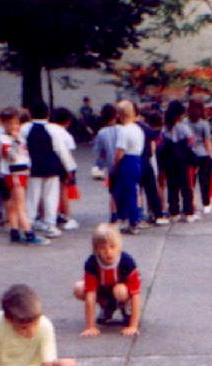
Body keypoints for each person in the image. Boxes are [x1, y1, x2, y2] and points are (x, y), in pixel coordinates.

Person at [73, 223, 142, 337]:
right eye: (103, 248)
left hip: (123, 292)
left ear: (119, 246)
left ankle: (126, 309)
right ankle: (107, 307)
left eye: (112, 246)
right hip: (103, 291)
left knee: (120, 290)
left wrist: (133, 326)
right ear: (96, 249)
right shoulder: (92, 262)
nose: (108, 252)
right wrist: (90, 326)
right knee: (79, 288)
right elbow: (90, 294)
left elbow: (135, 294)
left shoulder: (126, 261)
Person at [0, 107, 49, 246]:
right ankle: (28, 233)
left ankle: (14, 232)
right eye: (10, 123)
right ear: (4, 124)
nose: (14, 126)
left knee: (14, 205)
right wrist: (15, 141)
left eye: (16, 123)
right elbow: (10, 156)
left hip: (21, 172)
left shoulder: (18, 137)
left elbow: (24, 155)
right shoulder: (4, 139)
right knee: (20, 205)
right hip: (14, 173)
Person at [22, 101, 68, 238]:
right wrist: (70, 167)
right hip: (51, 167)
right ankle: (50, 225)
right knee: (51, 196)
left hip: (33, 167)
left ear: (30, 113)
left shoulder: (24, 129)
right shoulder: (55, 129)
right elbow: (61, 150)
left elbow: (22, 148)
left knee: (31, 196)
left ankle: (28, 224)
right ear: (48, 114)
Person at [160, 100, 198, 222]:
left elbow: (161, 142)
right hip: (182, 159)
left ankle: (174, 212)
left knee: (172, 186)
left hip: (169, 159)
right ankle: (188, 212)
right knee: (186, 186)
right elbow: (191, 142)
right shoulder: (183, 127)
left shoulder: (165, 128)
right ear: (180, 114)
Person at [113, 100, 146, 234]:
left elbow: (120, 151)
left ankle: (130, 220)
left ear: (119, 115)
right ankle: (134, 218)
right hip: (137, 159)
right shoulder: (138, 129)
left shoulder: (124, 130)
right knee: (132, 191)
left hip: (127, 160)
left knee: (124, 192)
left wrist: (115, 164)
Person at [49, 108, 79, 231]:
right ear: (68, 121)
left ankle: (54, 214)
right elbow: (70, 150)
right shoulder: (65, 134)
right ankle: (67, 216)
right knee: (64, 192)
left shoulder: (48, 129)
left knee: (51, 191)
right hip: (65, 164)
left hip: (52, 162)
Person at [186, 99, 212, 214]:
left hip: (188, 154)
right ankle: (206, 204)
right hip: (202, 154)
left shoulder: (184, 123)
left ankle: (191, 203)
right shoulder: (204, 123)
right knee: (205, 181)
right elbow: (207, 141)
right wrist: (210, 155)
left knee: (190, 182)